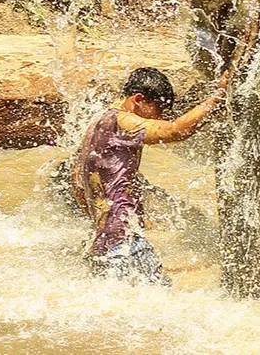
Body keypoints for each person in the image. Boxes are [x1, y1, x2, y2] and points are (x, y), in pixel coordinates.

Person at [69, 67, 236, 285]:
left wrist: (105, 223)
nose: (160, 117)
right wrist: (218, 97)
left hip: (104, 245)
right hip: (125, 246)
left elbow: (77, 182)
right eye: (159, 110)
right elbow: (174, 131)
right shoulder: (122, 121)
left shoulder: (96, 124)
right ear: (138, 100)